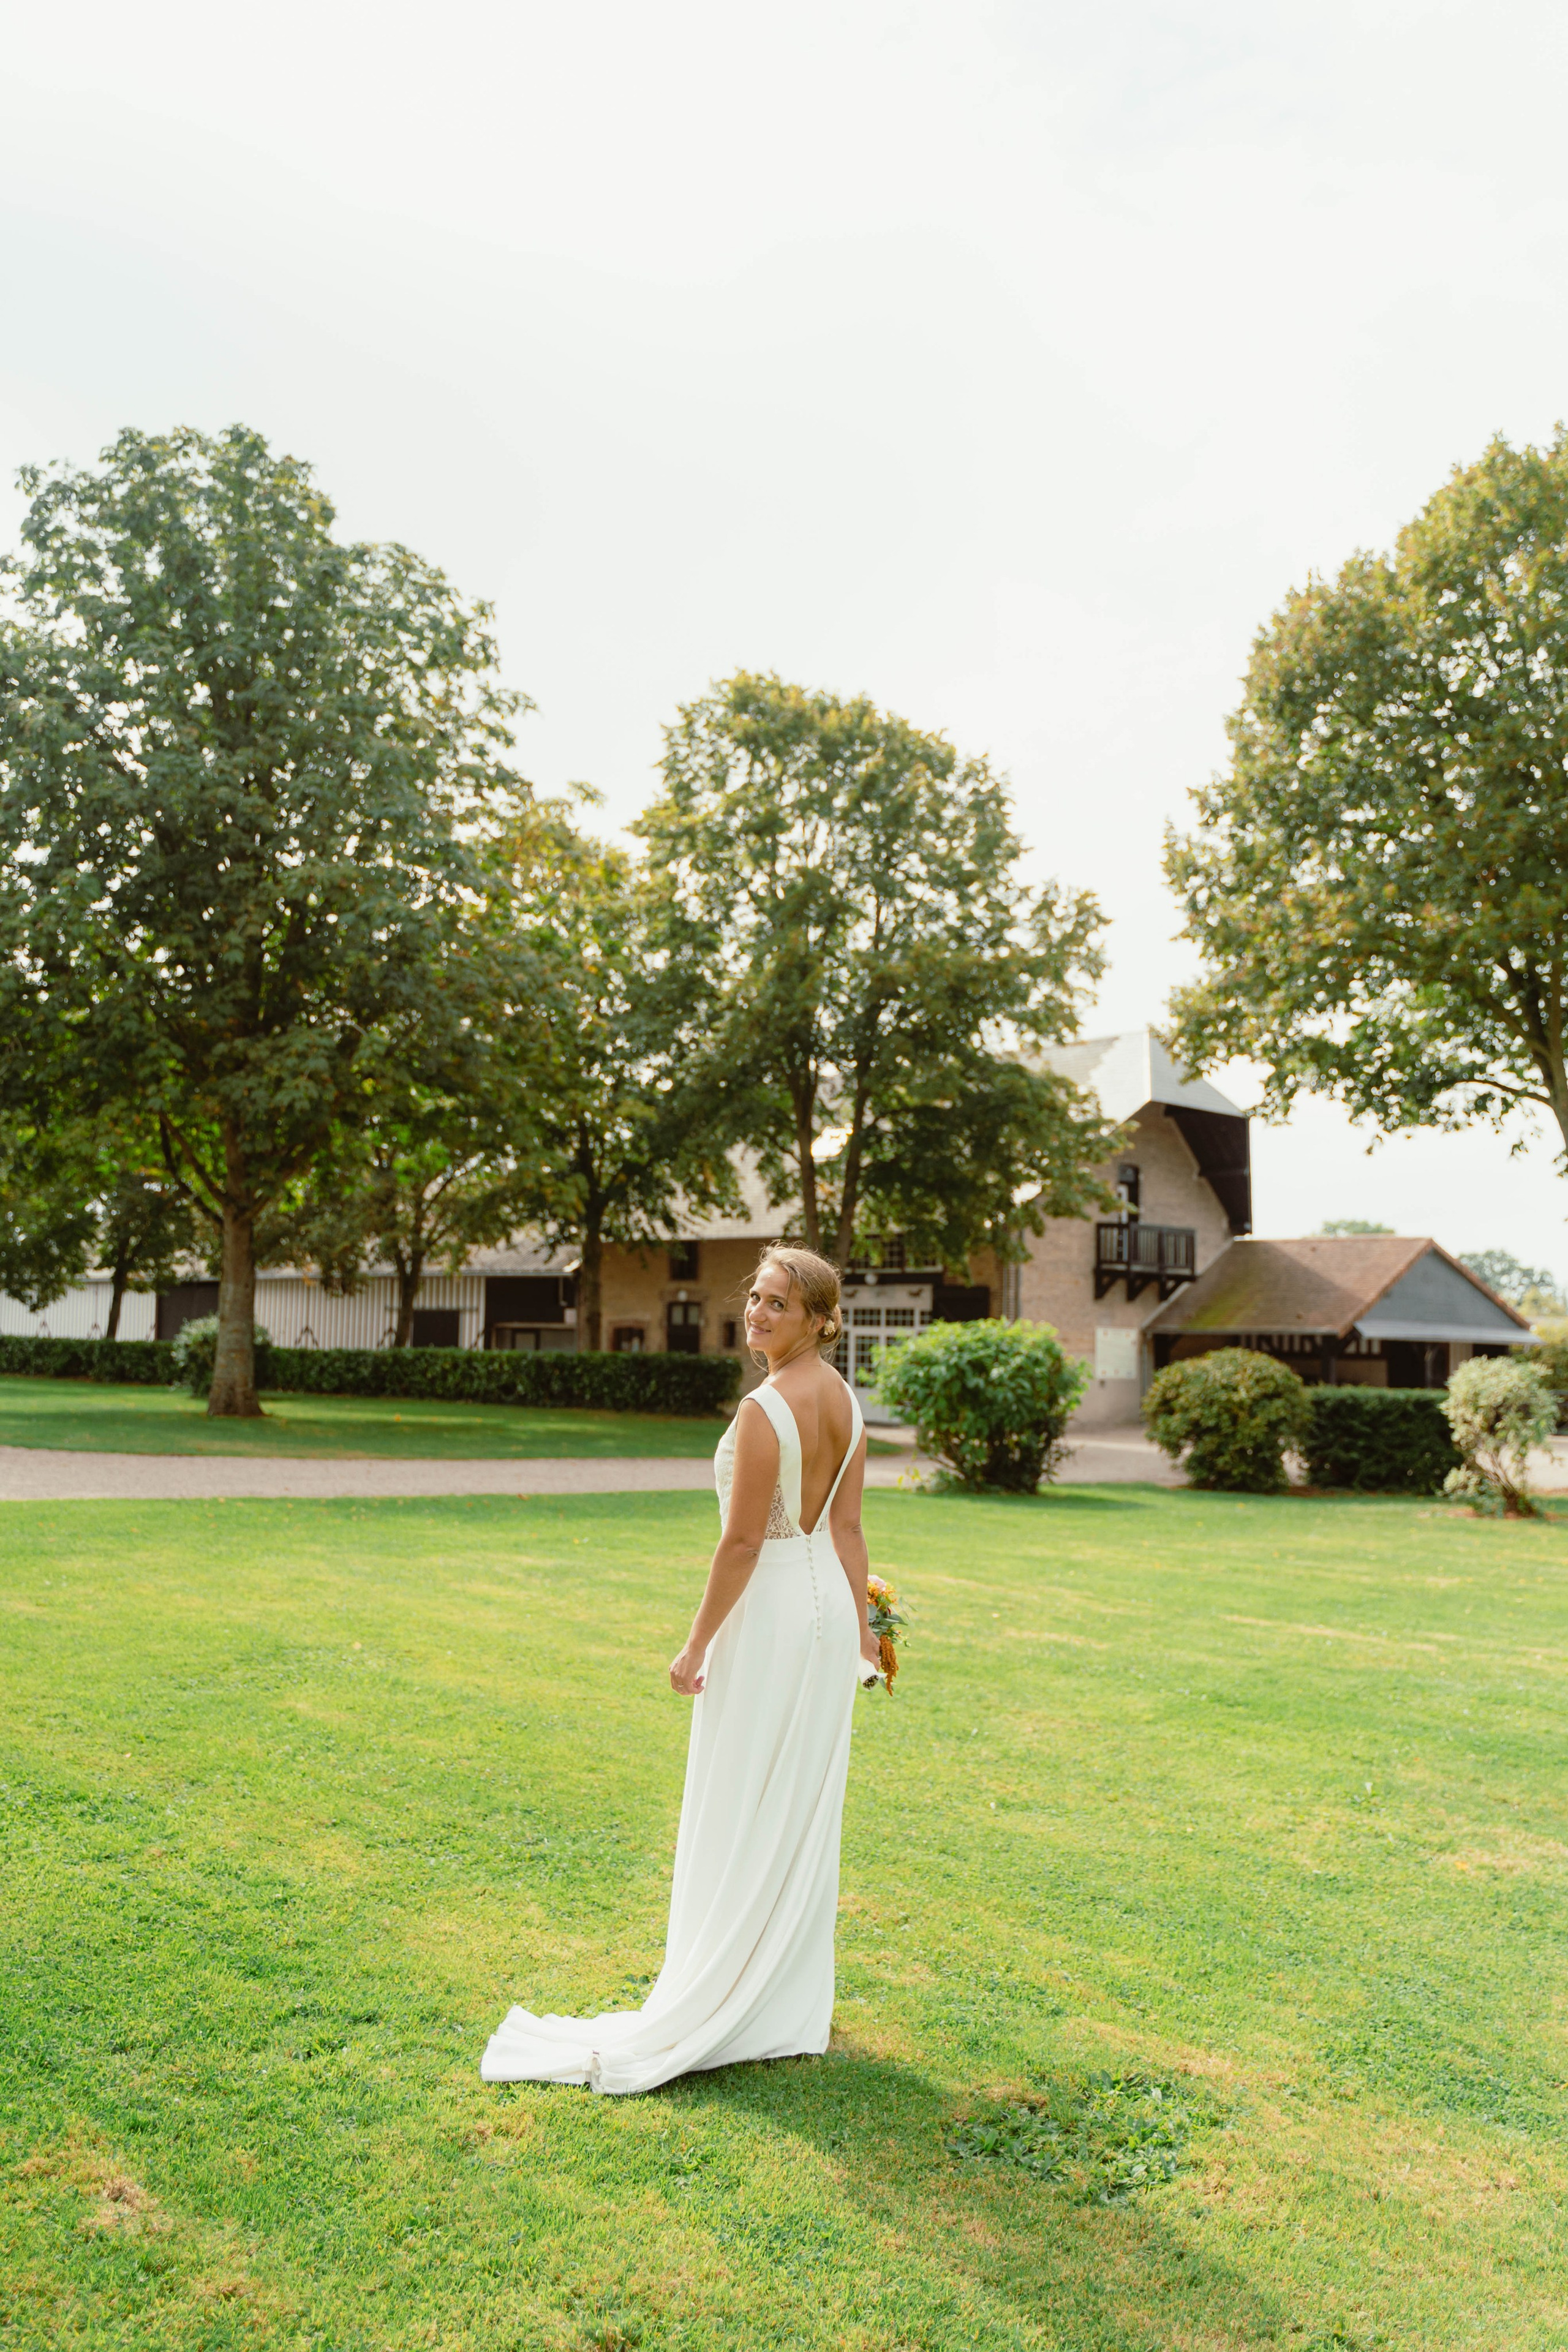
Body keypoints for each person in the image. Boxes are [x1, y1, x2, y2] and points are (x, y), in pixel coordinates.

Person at [479, 1245, 883, 2096]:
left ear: (820, 1319)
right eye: (757, 1298)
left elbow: (742, 1543)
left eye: (780, 1304)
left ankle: (735, 1993)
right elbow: (843, 1534)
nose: (759, 1315)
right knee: (794, 1798)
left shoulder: (764, 1407)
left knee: (745, 1794)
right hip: (823, 1618)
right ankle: (776, 1994)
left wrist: (696, 1644)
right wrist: (862, 1630)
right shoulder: (846, 1400)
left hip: (772, 1618)